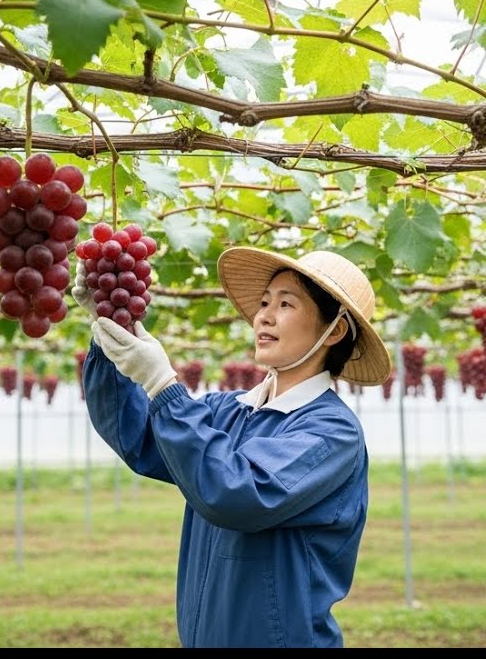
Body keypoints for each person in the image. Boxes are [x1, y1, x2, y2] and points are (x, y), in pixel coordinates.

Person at [70, 247, 391, 648]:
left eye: (286, 304)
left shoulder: (331, 432)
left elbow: (236, 492)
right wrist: (107, 329)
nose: (264, 316)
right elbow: (137, 437)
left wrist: (162, 385)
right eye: (264, 303)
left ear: (336, 331)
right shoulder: (228, 411)